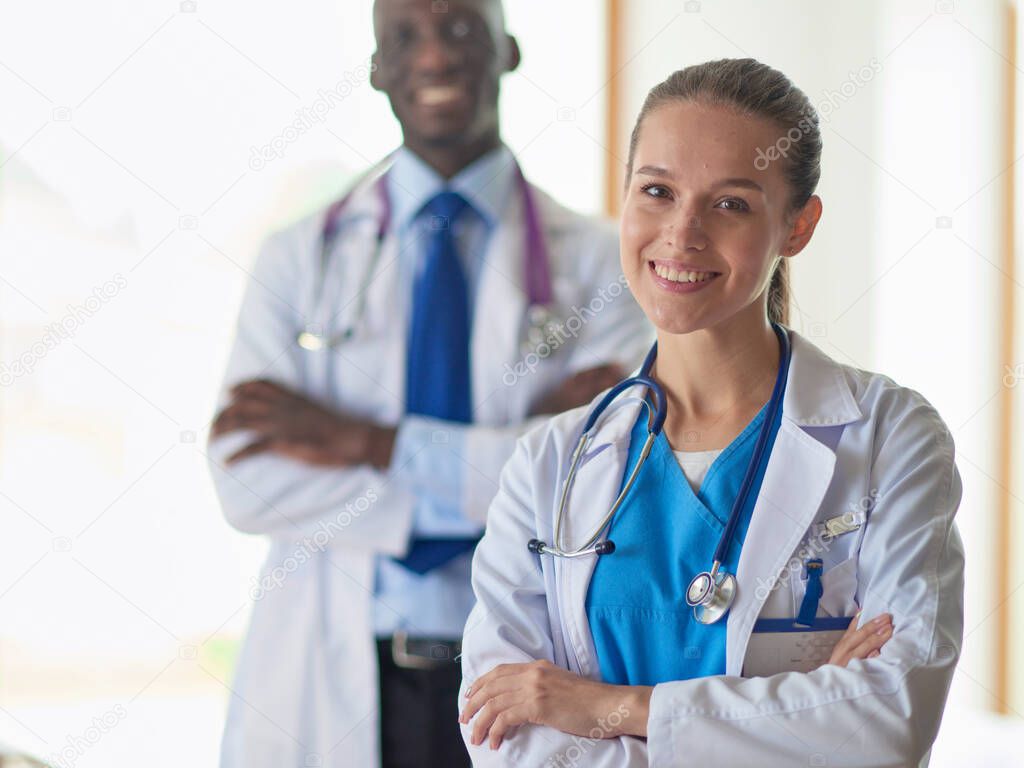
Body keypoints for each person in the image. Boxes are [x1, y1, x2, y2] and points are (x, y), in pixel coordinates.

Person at [458, 58, 965, 767]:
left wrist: (609, 708)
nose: (682, 233)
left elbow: (885, 724)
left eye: (731, 203)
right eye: (658, 191)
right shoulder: (551, 464)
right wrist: (807, 702)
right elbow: (506, 733)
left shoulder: (890, 437)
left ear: (798, 225)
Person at [206, 1, 651, 766]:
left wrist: (360, 441)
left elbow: (599, 487)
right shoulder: (297, 259)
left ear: (507, 51)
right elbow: (246, 481)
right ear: (377, 69)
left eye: (459, 31)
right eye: (404, 37)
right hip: (341, 667)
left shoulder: (604, 265)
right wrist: (506, 466)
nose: (436, 59)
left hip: (529, 675)